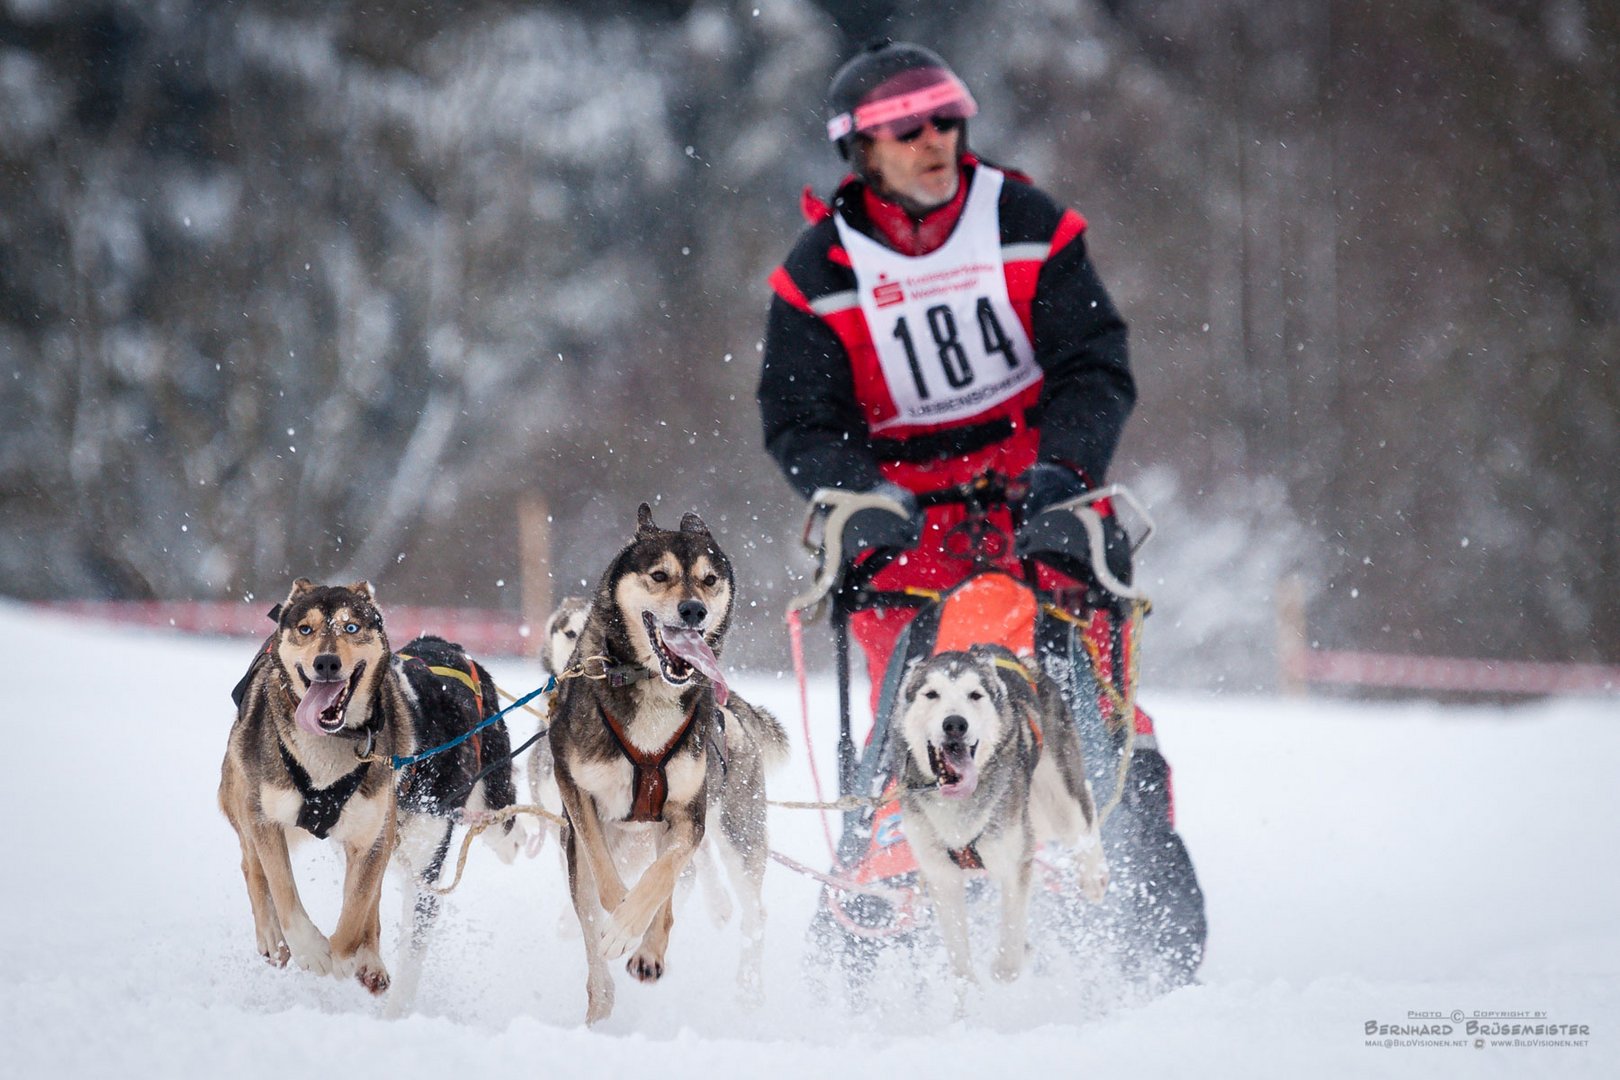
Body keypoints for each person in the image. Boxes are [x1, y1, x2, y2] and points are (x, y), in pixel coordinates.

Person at [757, 40, 1205, 983]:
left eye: (948, 122)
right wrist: (856, 495)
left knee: (1085, 693)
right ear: (861, 151)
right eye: (907, 130)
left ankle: (1120, 834)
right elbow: (800, 420)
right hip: (906, 530)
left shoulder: (1027, 222)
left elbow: (1094, 366)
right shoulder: (818, 272)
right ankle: (894, 866)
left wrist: (1064, 471)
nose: (935, 142)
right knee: (922, 693)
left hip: (1039, 505)